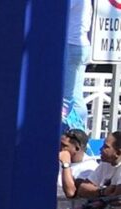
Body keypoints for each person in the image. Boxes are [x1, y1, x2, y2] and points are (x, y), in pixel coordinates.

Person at [63, 0, 92, 129]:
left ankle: (74, 132)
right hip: (82, 45)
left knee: (67, 97)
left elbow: (61, 11)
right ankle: (80, 131)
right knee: (76, 95)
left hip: (72, 45)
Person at [66, 130, 121, 198]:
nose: (100, 149)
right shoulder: (105, 163)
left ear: (118, 153)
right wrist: (102, 191)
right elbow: (82, 189)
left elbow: (116, 199)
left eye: (106, 147)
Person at [57, 128, 97, 198]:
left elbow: (70, 193)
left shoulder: (90, 167)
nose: (59, 148)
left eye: (64, 145)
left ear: (77, 148)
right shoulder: (58, 158)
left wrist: (66, 164)